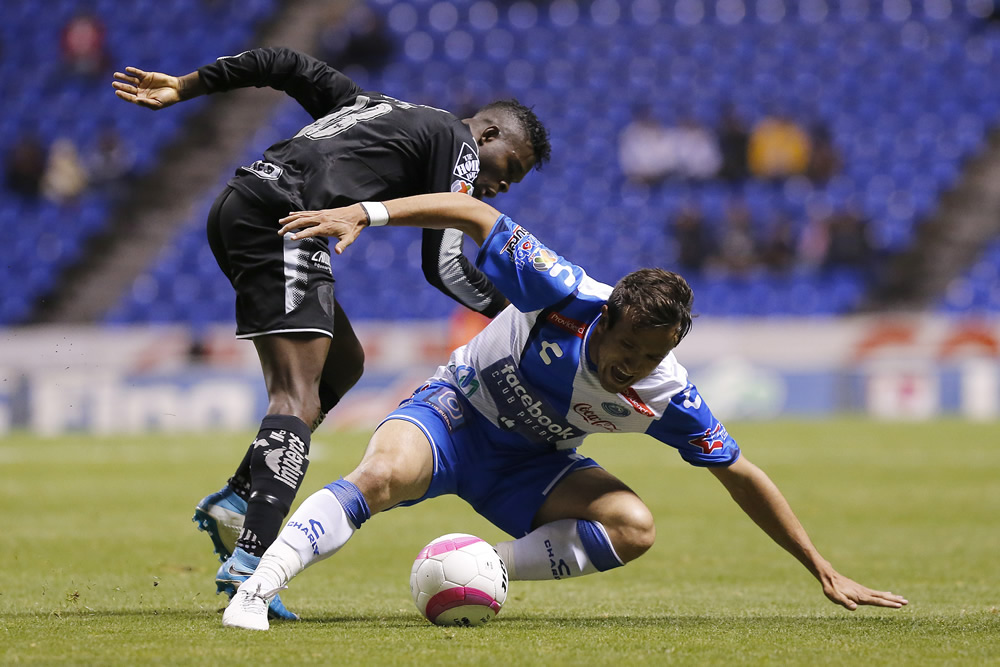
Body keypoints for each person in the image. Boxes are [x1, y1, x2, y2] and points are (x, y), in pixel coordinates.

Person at [218, 192, 907, 630]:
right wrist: (366, 213)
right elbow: (477, 215)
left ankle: (479, 564)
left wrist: (819, 564)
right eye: (628, 348)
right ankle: (255, 589)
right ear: (607, 319)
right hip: (456, 413)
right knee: (382, 474)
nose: (632, 366)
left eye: (650, 356)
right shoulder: (564, 291)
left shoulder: (665, 392)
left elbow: (739, 472)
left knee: (634, 526)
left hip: (532, 466)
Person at [112, 47, 551, 619]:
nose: (500, 187)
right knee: (295, 397)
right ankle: (250, 565)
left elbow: (283, 62)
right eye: (507, 168)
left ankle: (236, 498)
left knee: (343, 365)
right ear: (488, 132)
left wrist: (187, 85)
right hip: (282, 219)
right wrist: (529, 315)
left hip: (247, 207)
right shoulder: (458, 145)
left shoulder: (370, 105)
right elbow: (443, 265)